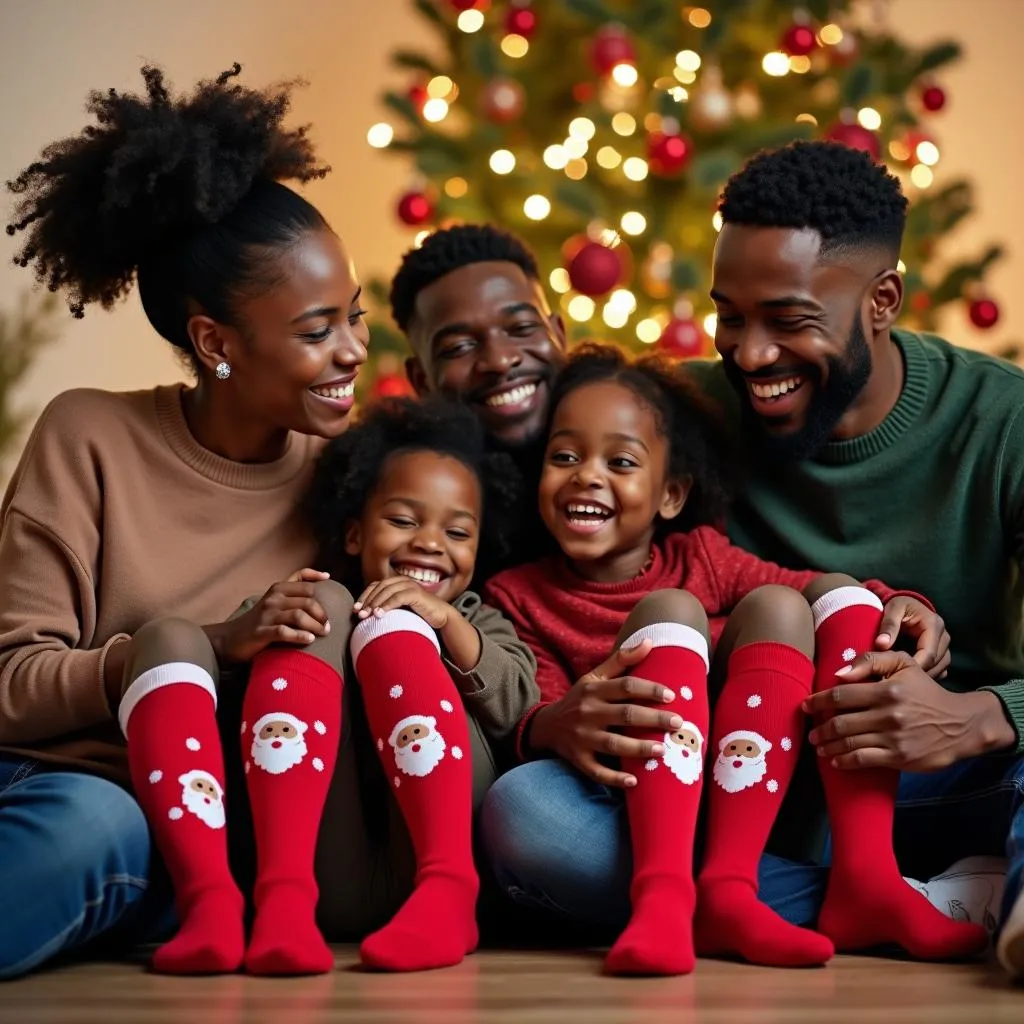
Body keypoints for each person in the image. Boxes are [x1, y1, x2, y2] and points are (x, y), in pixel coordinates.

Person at [480, 140, 1024, 977]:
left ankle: (905, 886)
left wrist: (982, 713)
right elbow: (553, 465)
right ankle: (939, 901)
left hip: (946, 782)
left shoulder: (1002, 423)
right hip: (727, 790)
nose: (751, 354)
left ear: (883, 301)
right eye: (730, 315)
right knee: (532, 818)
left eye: (790, 321)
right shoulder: (678, 418)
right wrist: (552, 719)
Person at [0, 63, 372, 978]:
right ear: (216, 344)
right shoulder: (90, 434)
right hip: (70, 787)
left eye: (356, 318)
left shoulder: (349, 477)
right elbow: (9, 681)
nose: (355, 351)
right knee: (96, 825)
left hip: (223, 840)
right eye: (319, 329)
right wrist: (195, 644)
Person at [482, 343, 979, 974]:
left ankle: (864, 874)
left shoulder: (704, 557)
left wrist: (897, 602)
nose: (586, 475)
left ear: (670, 495)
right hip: (627, 805)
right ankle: (674, 898)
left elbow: (818, 588)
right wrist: (554, 722)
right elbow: (537, 713)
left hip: (758, 789)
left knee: (801, 599)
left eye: (621, 461)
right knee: (671, 616)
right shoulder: (518, 596)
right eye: (564, 456)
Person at [303, 395, 539, 970]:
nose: (430, 543)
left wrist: (448, 625)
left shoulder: (479, 619)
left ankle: (444, 893)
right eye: (403, 521)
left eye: (457, 532)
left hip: (444, 847)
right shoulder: (322, 605)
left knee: (402, 631)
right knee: (328, 616)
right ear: (356, 535)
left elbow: (520, 705)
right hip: (339, 854)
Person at [390, 224, 568, 578]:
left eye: (520, 329)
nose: (499, 361)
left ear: (558, 334)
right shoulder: (408, 508)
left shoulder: (642, 450)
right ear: (422, 380)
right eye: (459, 348)